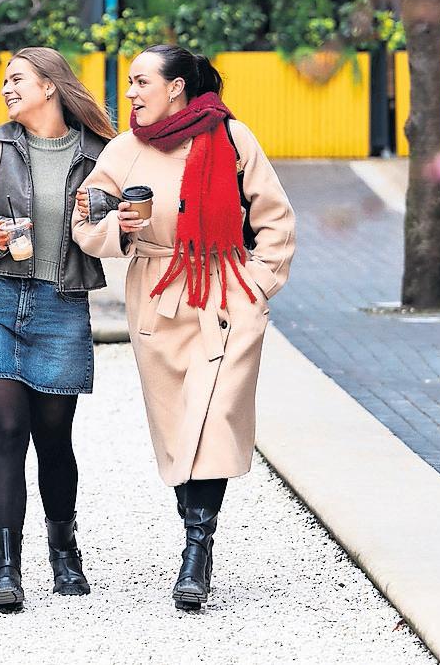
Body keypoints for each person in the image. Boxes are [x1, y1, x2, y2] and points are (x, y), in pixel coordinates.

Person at [71, 45, 295, 612]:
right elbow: (84, 221)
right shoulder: (123, 151)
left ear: (175, 87)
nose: (129, 92)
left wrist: (258, 284)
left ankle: (197, 549)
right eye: (128, 82)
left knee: (214, 418)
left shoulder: (233, 139)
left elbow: (274, 217)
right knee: (179, 429)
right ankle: (197, 539)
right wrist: (118, 230)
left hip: (224, 294)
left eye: (140, 81)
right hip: (157, 296)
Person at [0, 47, 118, 611]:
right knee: (8, 431)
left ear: (50, 86)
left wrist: (111, 212)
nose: (7, 89)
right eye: (5, 81)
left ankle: (64, 551)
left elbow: (123, 223)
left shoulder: (100, 154)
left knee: (54, 438)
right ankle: (6, 567)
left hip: (61, 304)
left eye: (17, 80)